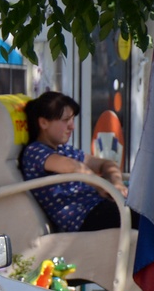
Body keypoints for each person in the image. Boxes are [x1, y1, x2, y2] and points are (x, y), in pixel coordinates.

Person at [20, 91, 133, 232]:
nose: (72, 126)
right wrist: (102, 186)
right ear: (43, 123)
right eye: (65, 120)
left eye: (72, 120)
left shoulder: (65, 150)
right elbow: (73, 167)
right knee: (149, 215)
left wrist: (117, 184)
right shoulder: (35, 151)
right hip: (85, 217)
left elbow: (106, 164)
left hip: (101, 207)